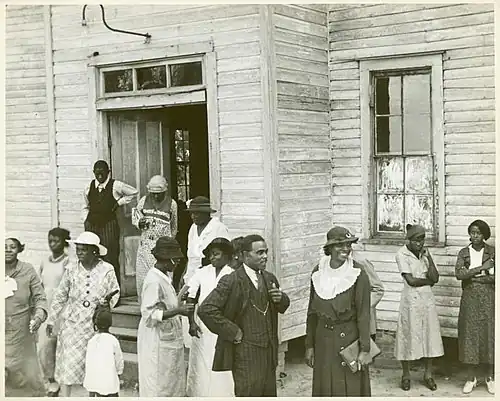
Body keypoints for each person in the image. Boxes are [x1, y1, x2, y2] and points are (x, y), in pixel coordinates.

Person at [198, 234, 290, 397]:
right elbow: (206, 309)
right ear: (245, 255)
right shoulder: (231, 280)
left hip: (268, 353)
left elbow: (282, 307)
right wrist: (233, 332)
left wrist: (281, 299)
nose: (265, 256)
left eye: (266, 252)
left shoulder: (269, 278)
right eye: (259, 253)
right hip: (245, 355)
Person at [47, 232, 120, 397]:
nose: (79, 253)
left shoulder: (107, 269)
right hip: (72, 323)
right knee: (68, 363)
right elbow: (60, 295)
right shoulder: (71, 268)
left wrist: (106, 304)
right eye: (78, 249)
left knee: (94, 364)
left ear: (94, 251)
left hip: (95, 324)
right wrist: (52, 320)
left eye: (83, 250)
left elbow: (115, 292)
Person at [304, 226, 372, 397]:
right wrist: (309, 345)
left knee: (349, 387)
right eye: (340, 245)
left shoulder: (357, 273)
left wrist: (365, 349)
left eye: (348, 245)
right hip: (323, 341)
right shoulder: (318, 272)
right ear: (329, 248)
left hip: (348, 340)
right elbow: (312, 313)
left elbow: (364, 314)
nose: (346, 249)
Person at [137, 236, 194, 397]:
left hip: (168, 335)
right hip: (157, 338)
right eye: (175, 259)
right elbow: (149, 314)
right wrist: (178, 310)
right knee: (159, 382)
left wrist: (178, 299)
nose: (177, 263)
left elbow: (165, 303)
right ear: (166, 259)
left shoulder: (164, 277)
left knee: (170, 380)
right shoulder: (154, 281)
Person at [394, 224, 443, 391]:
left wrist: (429, 258)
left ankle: (428, 375)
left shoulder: (424, 254)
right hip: (410, 300)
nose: (419, 243)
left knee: (429, 335)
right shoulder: (402, 254)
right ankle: (406, 375)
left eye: (422, 240)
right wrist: (428, 282)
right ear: (408, 240)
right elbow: (411, 281)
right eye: (416, 240)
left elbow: (435, 277)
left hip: (427, 300)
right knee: (407, 335)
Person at [186, 238, 235, 397]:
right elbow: (191, 298)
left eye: (216, 254)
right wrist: (191, 322)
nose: (212, 258)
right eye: (211, 255)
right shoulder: (202, 272)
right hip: (202, 325)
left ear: (226, 255)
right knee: (201, 363)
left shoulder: (232, 274)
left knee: (221, 362)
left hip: (223, 325)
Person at [82, 160, 138, 293]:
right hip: (92, 226)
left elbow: (134, 193)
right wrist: (85, 220)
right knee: (92, 258)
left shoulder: (116, 185)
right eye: (97, 172)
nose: (100, 174)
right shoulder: (89, 187)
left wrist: (119, 202)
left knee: (110, 258)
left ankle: (113, 293)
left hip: (109, 226)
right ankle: (95, 291)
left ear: (108, 172)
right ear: (94, 172)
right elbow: (85, 206)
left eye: (102, 171)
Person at [182, 195, 230, 348]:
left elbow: (224, 254)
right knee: (190, 310)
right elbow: (190, 255)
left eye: (197, 213)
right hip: (192, 275)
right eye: (192, 213)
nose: (194, 216)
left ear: (207, 213)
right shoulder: (192, 228)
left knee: (206, 310)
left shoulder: (218, 227)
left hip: (210, 275)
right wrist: (185, 276)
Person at [455, 219, 495, 394]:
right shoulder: (464, 253)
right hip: (469, 299)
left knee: (488, 334)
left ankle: (489, 377)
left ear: (484, 234)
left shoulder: (493, 252)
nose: (475, 236)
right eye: (472, 232)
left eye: (478, 233)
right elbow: (459, 274)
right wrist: (481, 268)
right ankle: (471, 378)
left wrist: (473, 276)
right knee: (469, 335)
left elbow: (495, 278)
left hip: (488, 298)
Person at [5, 237, 48, 397]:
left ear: (19, 249)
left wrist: (38, 317)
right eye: (4, 246)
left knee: (27, 379)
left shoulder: (27, 270)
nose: (8, 250)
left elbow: (40, 298)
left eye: (12, 247)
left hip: (22, 332)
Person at [36, 227, 71, 397]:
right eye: (50, 240)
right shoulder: (44, 261)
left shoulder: (68, 262)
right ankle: (50, 381)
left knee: (60, 347)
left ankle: (61, 382)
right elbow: (40, 285)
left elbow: (70, 287)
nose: (52, 244)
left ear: (64, 242)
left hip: (62, 310)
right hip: (46, 309)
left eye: (56, 241)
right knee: (44, 347)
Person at [133, 175, 178, 301]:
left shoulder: (172, 204)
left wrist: (168, 244)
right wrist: (139, 223)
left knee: (161, 279)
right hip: (145, 246)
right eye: (153, 194)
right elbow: (135, 216)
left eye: (159, 194)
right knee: (143, 280)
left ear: (165, 191)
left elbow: (174, 226)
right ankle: (145, 306)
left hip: (162, 248)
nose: (156, 196)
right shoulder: (143, 201)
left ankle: (163, 306)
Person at [84, 291, 124, 397]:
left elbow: (88, 363)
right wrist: (119, 373)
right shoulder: (113, 341)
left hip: (94, 381)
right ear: (110, 323)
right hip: (109, 382)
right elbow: (119, 360)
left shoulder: (91, 341)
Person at [351, 253, 385, 342]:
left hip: (362, 320)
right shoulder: (331, 263)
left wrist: (363, 308)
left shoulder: (360, 262)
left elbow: (378, 289)